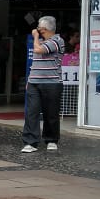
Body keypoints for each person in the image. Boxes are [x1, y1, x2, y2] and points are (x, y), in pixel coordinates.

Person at [22, 15, 65, 153]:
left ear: (44, 29)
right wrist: (29, 80)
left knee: (50, 113)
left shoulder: (57, 40)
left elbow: (38, 50)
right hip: (34, 81)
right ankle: (30, 141)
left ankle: (51, 139)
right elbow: (35, 62)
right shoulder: (41, 40)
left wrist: (35, 37)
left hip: (52, 82)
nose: (37, 30)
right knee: (31, 112)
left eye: (39, 28)